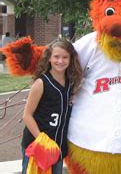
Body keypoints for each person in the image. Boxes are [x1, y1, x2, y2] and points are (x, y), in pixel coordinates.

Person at [21, 39, 83, 173]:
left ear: (71, 59)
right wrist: (42, 141)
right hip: (38, 146)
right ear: (49, 58)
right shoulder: (41, 83)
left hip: (58, 147)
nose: (60, 61)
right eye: (56, 56)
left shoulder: (71, 83)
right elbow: (27, 116)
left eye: (65, 57)